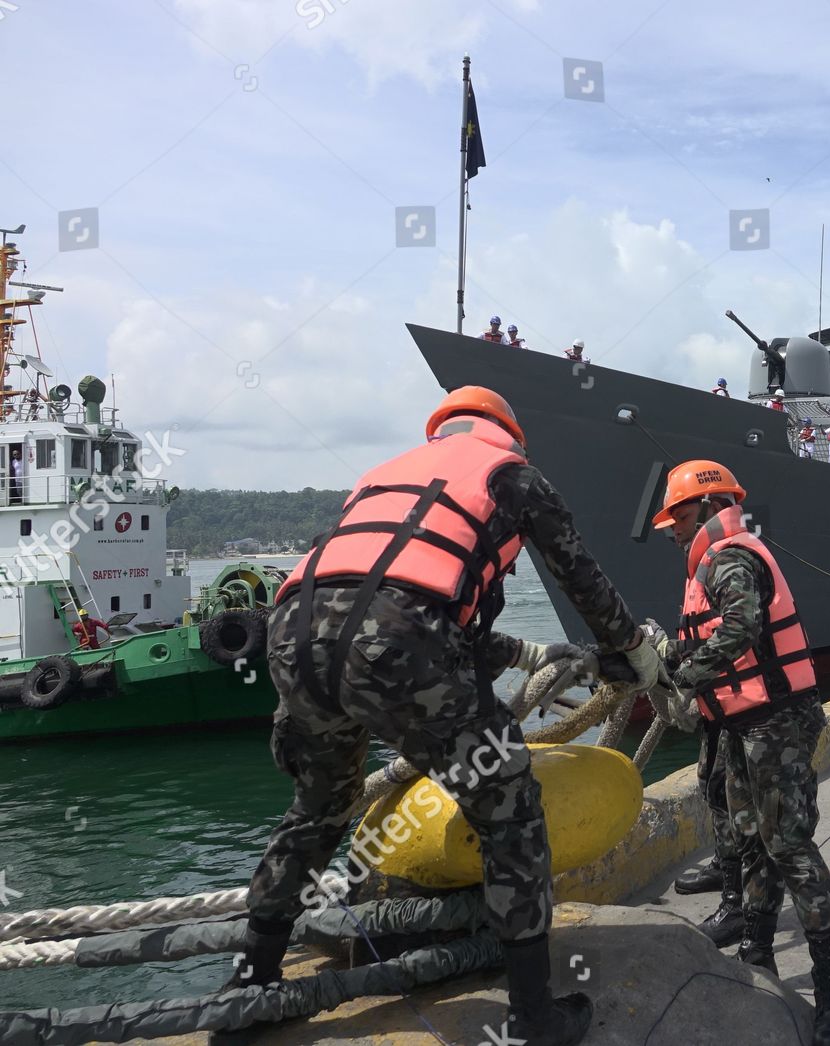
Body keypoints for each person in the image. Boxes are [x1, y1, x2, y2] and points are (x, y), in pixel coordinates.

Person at [225, 386, 662, 1046]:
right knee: (508, 807)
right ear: (509, 435)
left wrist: (534, 651)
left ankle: (247, 993)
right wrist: (632, 651)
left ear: (439, 432)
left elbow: (389, 604)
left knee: (318, 812)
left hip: (292, 637)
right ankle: (533, 1015)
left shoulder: (380, 480)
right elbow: (583, 579)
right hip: (399, 640)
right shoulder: (511, 474)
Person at [647, 460, 830, 1045]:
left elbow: (741, 626)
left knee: (786, 843)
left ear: (711, 509)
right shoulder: (711, 560)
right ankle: (758, 955)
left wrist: (680, 675)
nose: (675, 531)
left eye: (681, 517)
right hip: (741, 723)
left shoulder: (731, 557)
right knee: (750, 837)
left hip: (776, 722)